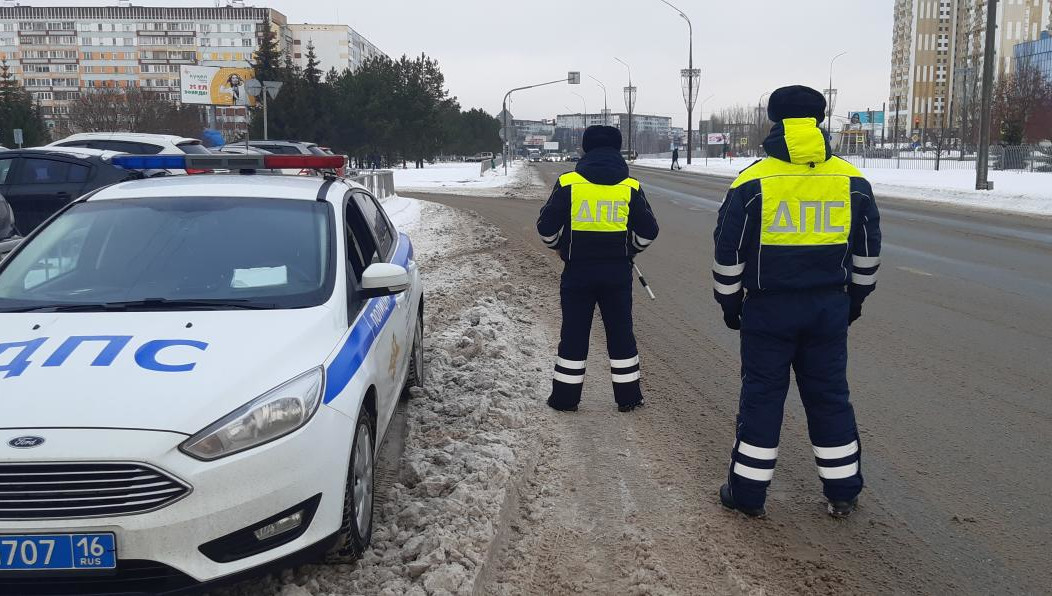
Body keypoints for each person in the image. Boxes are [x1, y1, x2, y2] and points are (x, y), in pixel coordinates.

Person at [711, 85, 882, 519]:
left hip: (767, 310)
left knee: (762, 398)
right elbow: (867, 251)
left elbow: (727, 252)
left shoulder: (752, 181)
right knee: (829, 397)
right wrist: (855, 300)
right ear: (820, 121)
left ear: (775, 121)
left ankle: (747, 495)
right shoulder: (852, 181)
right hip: (828, 310)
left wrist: (731, 304)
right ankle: (843, 489)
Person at [537, 125, 659, 413]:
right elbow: (649, 231)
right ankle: (628, 398)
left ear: (584, 149)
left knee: (574, 334)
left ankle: (565, 399)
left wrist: (559, 247)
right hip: (617, 274)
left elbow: (546, 228)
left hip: (577, 273)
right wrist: (630, 250)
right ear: (617, 151)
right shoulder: (630, 186)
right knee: (621, 334)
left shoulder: (568, 183)